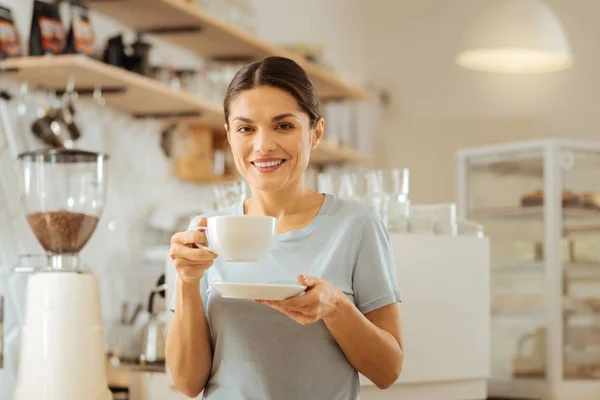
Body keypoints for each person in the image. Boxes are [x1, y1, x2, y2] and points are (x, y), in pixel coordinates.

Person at [166, 56, 403, 400]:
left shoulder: (356, 225)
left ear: (316, 132)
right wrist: (188, 282)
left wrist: (336, 307)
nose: (263, 145)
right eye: (246, 128)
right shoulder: (206, 233)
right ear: (230, 136)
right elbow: (188, 383)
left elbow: (387, 371)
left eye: (284, 126)